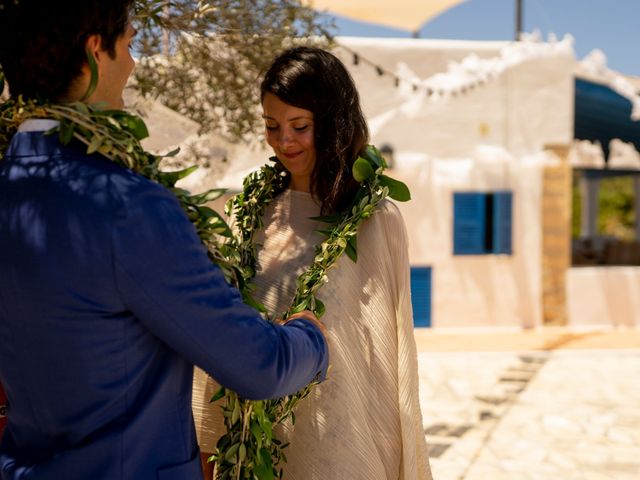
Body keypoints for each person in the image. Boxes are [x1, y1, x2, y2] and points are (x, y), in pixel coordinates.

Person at [0, 3, 330, 479]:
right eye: (129, 45)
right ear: (96, 51)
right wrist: (312, 339)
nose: (133, 64)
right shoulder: (124, 205)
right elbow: (258, 365)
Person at [193, 47, 432, 480]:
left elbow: (385, 353)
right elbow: (223, 333)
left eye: (300, 126)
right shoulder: (249, 213)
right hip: (252, 445)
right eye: (272, 126)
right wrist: (210, 442)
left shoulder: (374, 220)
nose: (284, 141)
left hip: (337, 445)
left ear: (334, 123)